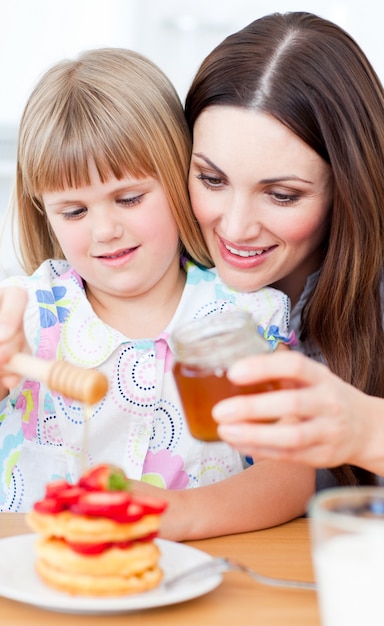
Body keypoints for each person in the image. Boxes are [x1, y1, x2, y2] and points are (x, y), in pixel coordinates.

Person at [0, 48, 312, 539]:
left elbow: (292, 476)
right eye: (73, 212)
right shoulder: (25, 316)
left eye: (129, 198)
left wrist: (178, 515)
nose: (105, 230)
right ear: (43, 211)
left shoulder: (246, 316)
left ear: (180, 178)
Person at [184, 11, 384, 486]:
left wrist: (366, 431)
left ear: (347, 187)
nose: (234, 227)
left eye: (282, 195)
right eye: (211, 180)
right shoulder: (150, 263)